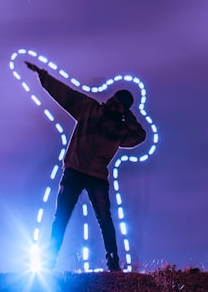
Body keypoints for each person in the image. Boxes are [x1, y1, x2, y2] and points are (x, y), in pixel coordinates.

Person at [25, 61, 146, 271]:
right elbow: (65, 94)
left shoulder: (117, 126)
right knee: (70, 218)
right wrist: (44, 77)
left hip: (91, 175)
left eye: (117, 104)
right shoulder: (90, 108)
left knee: (99, 220)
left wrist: (128, 116)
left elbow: (139, 136)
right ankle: (50, 261)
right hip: (78, 172)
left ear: (122, 109)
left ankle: (111, 263)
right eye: (113, 101)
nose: (111, 104)